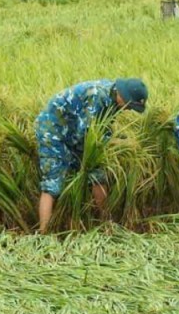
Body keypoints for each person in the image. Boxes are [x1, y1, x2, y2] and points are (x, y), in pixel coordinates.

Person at [35, 78, 148, 233]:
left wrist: (114, 140)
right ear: (123, 96)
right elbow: (89, 133)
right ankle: (44, 233)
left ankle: (105, 225)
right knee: (53, 182)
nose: (129, 109)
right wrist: (115, 143)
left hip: (77, 133)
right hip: (53, 131)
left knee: (98, 175)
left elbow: (102, 128)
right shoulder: (98, 97)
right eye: (130, 105)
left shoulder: (114, 100)